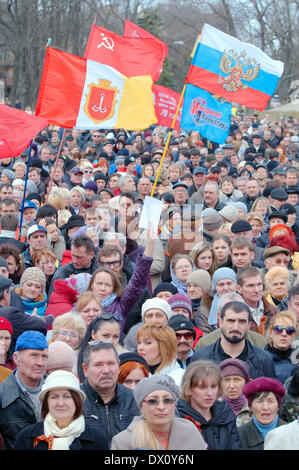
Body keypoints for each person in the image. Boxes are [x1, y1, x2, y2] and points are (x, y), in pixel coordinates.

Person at [14, 370, 110, 450]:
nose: (60, 403)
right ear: (46, 402)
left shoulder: (97, 440)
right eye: (54, 397)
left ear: (77, 401)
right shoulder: (26, 438)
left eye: (67, 397)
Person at [111, 374, 207, 450]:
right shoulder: (123, 442)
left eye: (167, 400)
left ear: (175, 404)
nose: (161, 407)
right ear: (141, 408)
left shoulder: (190, 432)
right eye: (152, 401)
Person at [88, 225, 156, 333]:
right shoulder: (86, 298)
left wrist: (151, 245)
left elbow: (138, 281)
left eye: (115, 263)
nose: (111, 268)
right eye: (106, 264)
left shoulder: (121, 304)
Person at [190, 301, 276, 380]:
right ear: (220, 322)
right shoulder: (201, 358)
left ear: (249, 325)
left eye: (242, 321)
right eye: (231, 321)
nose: (236, 327)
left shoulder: (263, 360)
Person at [80, 341, 140, 443]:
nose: (106, 370)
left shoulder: (135, 400)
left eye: (111, 364)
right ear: (85, 370)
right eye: (98, 365)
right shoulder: (75, 401)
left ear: (118, 366)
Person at [177, 360, 243, 450]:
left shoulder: (226, 414)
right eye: (202, 387)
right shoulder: (178, 419)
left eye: (213, 386)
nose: (209, 393)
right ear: (188, 389)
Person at [0, 330, 49, 450]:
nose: (40, 363)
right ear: (16, 358)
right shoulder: (2, 396)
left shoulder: (58, 391)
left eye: (44, 356)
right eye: (34, 356)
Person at [238, 377, 286, 450]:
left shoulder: (291, 432)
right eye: (259, 401)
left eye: (270, 401)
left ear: (278, 406)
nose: (265, 407)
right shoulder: (239, 434)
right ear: (250, 407)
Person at [264, 311, 297, 383]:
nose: (284, 334)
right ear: (270, 333)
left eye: (290, 330)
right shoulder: (260, 361)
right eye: (278, 329)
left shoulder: (297, 360)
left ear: (294, 335)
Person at [219, 358, 251, 427]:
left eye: (237, 380)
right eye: (226, 380)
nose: (232, 386)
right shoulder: (212, 408)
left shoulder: (254, 407)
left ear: (246, 382)